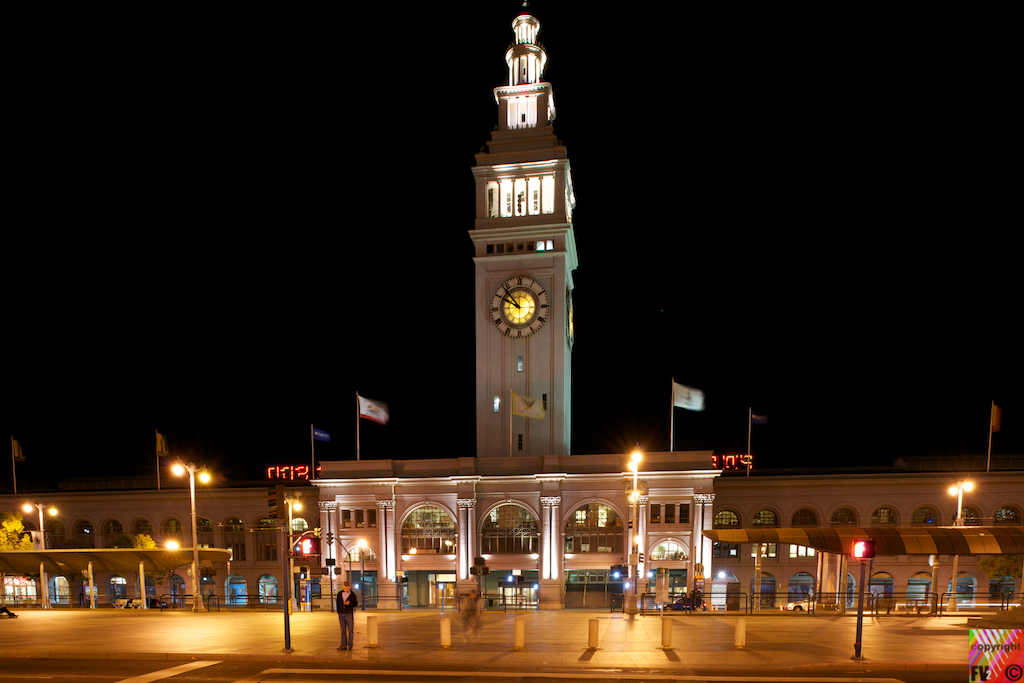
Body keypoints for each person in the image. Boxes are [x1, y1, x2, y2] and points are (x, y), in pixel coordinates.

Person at [336, 581, 358, 650]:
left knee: (350, 631)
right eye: (345, 588)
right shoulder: (339, 594)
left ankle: (350, 645)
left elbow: (356, 603)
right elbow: (338, 603)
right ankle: (343, 645)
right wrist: (338, 611)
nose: (346, 590)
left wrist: (350, 603)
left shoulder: (352, 594)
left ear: (350, 588)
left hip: (349, 614)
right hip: (341, 614)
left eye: (348, 588)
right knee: (343, 631)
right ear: (343, 587)